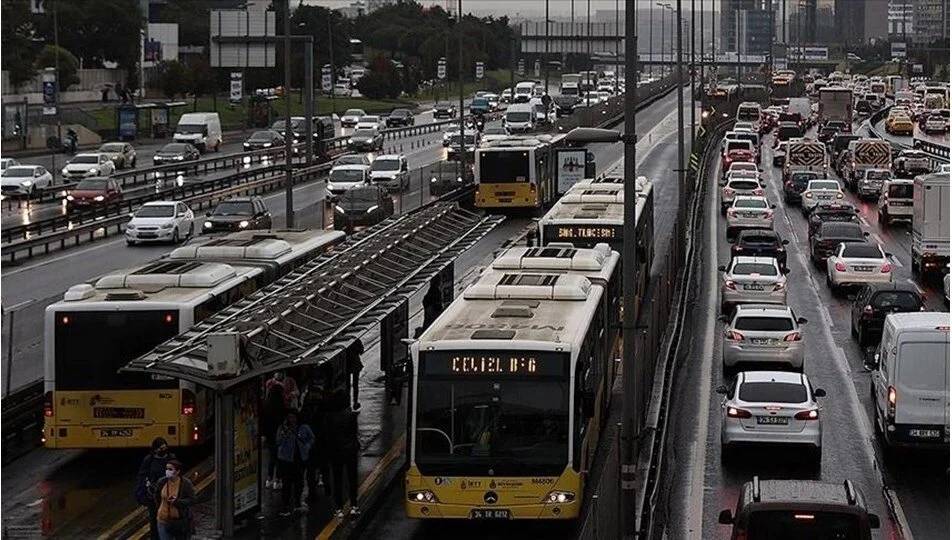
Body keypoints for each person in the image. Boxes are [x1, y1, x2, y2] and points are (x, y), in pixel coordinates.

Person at [136, 437, 177, 540]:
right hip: (153, 497)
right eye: (160, 448)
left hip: (168, 495)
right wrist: (142, 494)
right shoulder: (149, 460)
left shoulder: (171, 459)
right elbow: (142, 477)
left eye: (164, 448)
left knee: (168, 521)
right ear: (155, 449)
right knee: (154, 522)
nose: (163, 450)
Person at [275, 410, 314, 516]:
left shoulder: (303, 427)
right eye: (289, 417)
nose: (292, 420)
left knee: (299, 482)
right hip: (286, 459)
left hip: (299, 458)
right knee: (286, 483)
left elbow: (311, 438)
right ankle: (286, 505)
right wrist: (285, 433)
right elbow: (278, 441)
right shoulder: (283, 428)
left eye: (293, 417)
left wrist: (307, 447)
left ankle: (297, 503)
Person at [327, 394, 360, 517]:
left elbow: (328, 435)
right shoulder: (351, 416)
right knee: (352, 478)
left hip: (336, 451)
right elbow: (354, 432)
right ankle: (354, 505)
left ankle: (339, 508)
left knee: (337, 479)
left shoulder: (330, 418)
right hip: (350, 450)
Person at [152, 460, 195, 540]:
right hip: (163, 520)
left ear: (178, 471)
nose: (167, 471)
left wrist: (177, 501)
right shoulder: (162, 482)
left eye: (170, 469)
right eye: (166, 469)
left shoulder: (186, 484)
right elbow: (157, 497)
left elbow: (192, 500)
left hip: (179, 521)